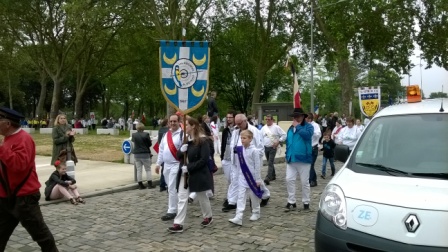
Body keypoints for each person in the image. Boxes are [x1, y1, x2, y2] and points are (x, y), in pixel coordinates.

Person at [0, 107, 59, 251]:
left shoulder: (23, 139)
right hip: (6, 197)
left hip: (24, 198)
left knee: (42, 236)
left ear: (7, 123)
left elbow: (19, 165)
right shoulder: (8, 139)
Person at [168, 117, 213, 233]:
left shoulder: (203, 141)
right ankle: (178, 223)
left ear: (193, 126)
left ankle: (208, 216)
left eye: (187, 125)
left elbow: (203, 160)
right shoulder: (185, 139)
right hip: (184, 174)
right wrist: (181, 150)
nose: (185, 127)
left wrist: (188, 167)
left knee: (202, 196)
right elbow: (178, 155)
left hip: (197, 173)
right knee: (182, 198)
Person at [223, 114, 270, 212]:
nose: (238, 125)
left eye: (240, 123)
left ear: (245, 121)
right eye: (237, 124)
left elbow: (260, 148)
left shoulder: (254, 131)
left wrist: (253, 157)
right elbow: (232, 145)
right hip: (237, 160)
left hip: (250, 161)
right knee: (234, 179)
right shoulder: (236, 131)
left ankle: (265, 194)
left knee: (254, 180)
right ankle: (232, 202)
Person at [228, 130, 263, 226]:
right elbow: (239, 164)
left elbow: (257, 165)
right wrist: (237, 176)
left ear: (250, 139)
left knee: (253, 196)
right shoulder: (240, 150)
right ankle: (238, 216)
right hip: (242, 177)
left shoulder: (255, 151)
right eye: (241, 138)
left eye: (244, 138)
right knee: (241, 197)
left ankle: (256, 212)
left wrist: (258, 179)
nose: (242, 140)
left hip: (252, 178)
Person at [284, 108, 314, 211]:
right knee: (289, 179)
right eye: (294, 116)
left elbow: (307, 136)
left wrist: (298, 127)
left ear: (303, 117)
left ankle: (306, 201)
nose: (295, 118)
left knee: (304, 182)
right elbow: (289, 141)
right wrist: (287, 153)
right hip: (291, 158)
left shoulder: (309, 127)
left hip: (304, 159)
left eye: (297, 116)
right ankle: (291, 200)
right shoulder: (290, 128)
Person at [155, 114, 183, 221]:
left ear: (179, 122)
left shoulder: (182, 135)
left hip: (176, 164)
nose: (172, 123)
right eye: (171, 121)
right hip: (166, 165)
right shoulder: (166, 135)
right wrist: (158, 164)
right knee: (169, 187)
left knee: (171, 187)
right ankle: (178, 204)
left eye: (174, 121)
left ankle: (172, 210)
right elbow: (161, 150)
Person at [261, 114, 286, 185]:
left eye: (269, 119)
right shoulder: (263, 128)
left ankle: (268, 177)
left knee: (270, 162)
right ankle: (273, 175)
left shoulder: (276, 127)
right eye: (266, 119)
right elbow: (260, 137)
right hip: (266, 147)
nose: (267, 121)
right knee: (269, 161)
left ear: (272, 120)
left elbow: (284, 135)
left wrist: (279, 141)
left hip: (273, 147)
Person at [220, 110, 236, 208]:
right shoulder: (225, 130)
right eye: (227, 117)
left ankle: (230, 199)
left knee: (233, 179)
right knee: (229, 179)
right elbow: (223, 144)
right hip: (226, 158)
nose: (228, 119)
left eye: (230, 117)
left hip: (234, 159)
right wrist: (222, 157)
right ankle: (231, 198)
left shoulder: (237, 130)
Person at [132, 123, 155, 189]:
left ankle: (140, 184)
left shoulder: (134, 135)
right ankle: (150, 184)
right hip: (145, 153)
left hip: (137, 154)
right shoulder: (146, 134)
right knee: (148, 169)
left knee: (139, 170)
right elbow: (149, 144)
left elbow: (134, 142)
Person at [306, 113, 321, 187]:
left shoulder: (315, 125)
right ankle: (312, 179)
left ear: (310, 119)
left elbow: (318, 134)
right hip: (307, 148)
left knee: (311, 164)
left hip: (313, 147)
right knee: (308, 165)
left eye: (307, 118)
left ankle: (312, 180)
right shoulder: (305, 125)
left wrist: (312, 132)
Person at [157, 118, 169, 192]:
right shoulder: (167, 131)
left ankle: (162, 185)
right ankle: (167, 185)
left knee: (163, 170)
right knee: (166, 170)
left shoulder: (160, 130)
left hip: (162, 150)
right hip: (167, 150)